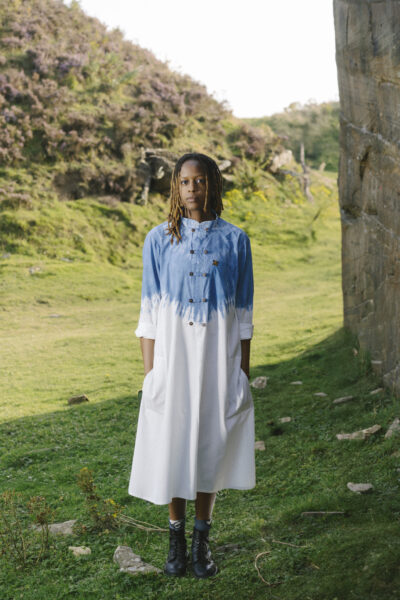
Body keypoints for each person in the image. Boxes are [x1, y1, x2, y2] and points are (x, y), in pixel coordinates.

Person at [128, 152, 255, 578]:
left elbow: (242, 315)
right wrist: (152, 376)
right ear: (176, 188)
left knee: (209, 444)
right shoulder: (158, 239)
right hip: (173, 357)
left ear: (212, 185)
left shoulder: (236, 240)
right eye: (184, 182)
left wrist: (242, 373)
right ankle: (175, 540)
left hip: (218, 357)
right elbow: (148, 312)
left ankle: (202, 543)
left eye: (199, 181)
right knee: (173, 442)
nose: (192, 189)